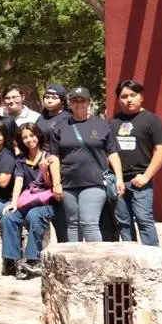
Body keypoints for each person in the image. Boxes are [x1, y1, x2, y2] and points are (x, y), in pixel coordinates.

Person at [49, 87, 124, 243]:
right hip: (68, 183)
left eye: (82, 100)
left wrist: (119, 178)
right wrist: (56, 183)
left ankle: (96, 263)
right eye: (75, 101)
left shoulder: (101, 125)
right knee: (73, 224)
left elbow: (112, 153)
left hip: (95, 182)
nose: (79, 104)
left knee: (89, 222)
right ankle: (76, 264)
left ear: (88, 102)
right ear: (69, 104)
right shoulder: (60, 127)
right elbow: (54, 157)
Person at [109, 80, 162, 246]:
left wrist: (146, 176)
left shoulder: (151, 120)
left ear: (141, 97)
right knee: (123, 222)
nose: (129, 99)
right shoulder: (113, 122)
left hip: (141, 180)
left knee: (144, 219)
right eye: (124, 96)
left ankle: (153, 259)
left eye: (133, 95)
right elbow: (108, 151)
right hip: (118, 181)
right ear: (119, 99)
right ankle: (131, 259)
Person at [1, 124, 61, 279]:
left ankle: (32, 260)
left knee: (34, 215)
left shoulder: (50, 158)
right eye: (25, 137)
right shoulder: (21, 160)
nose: (29, 140)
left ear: (38, 136)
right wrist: (14, 203)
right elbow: (19, 181)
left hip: (47, 202)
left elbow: (53, 185)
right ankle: (13, 261)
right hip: (28, 200)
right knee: (9, 218)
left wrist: (43, 170)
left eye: (32, 135)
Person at [0, 84, 39, 149]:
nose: (11, 101)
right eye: (7, 98)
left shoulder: (35, 117)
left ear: (23, 97)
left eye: (15, 97)